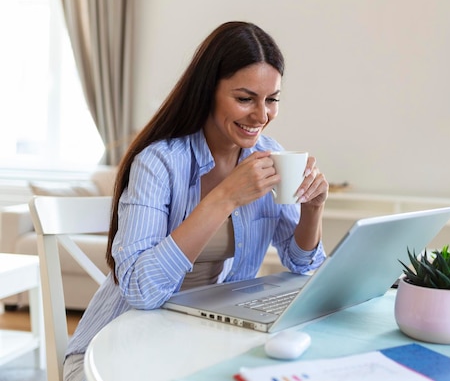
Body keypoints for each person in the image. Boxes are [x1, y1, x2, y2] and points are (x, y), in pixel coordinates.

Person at [63, 21, 329, 381]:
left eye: (272, 100)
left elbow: (303, 265)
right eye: (245, 98)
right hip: (114, 353)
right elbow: (141, 291)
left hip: (199, 345)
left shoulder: (270, 157)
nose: (262, 115)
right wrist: (224, 198)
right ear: (208, 91)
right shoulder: (159, 163)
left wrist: (312, 209)